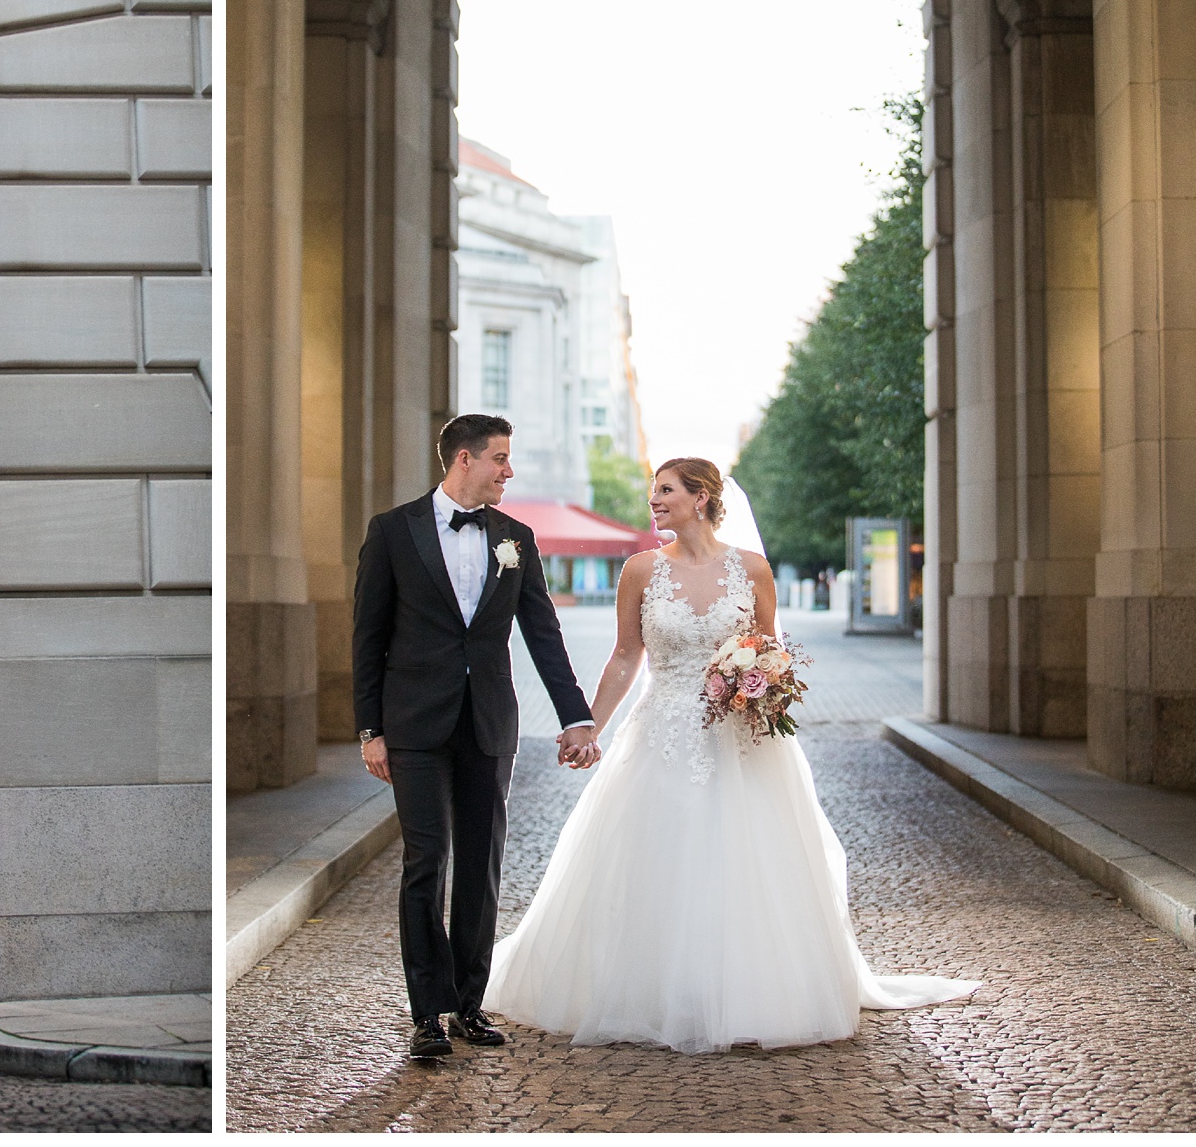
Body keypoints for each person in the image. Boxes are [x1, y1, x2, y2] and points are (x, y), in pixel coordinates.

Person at [483, 457, 979, 1053]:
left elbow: (769, 650)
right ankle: (651, 990)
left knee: (745, 856)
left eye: (665, 491)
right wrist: (588, 726)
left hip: (740, 739)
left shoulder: (752, 570)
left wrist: (760, 687)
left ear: (702, 497)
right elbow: (624, 656)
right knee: (655, 857)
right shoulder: (641, 570)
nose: (654, 501)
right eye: (653, 492)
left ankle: (745, 990)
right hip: (661, 732)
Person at [350, 413, 601, 1061]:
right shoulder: (391, 532)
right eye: (500, 458)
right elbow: (367, 637)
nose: (508, 470)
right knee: (425, 861)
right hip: (413, 726)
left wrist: (575, 714)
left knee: (482, 867)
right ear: (464, 458)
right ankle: (426, 1011)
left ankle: (467, 1002)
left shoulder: (516, 537)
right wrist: (370, 727)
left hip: (489, 723)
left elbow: (543, 633)